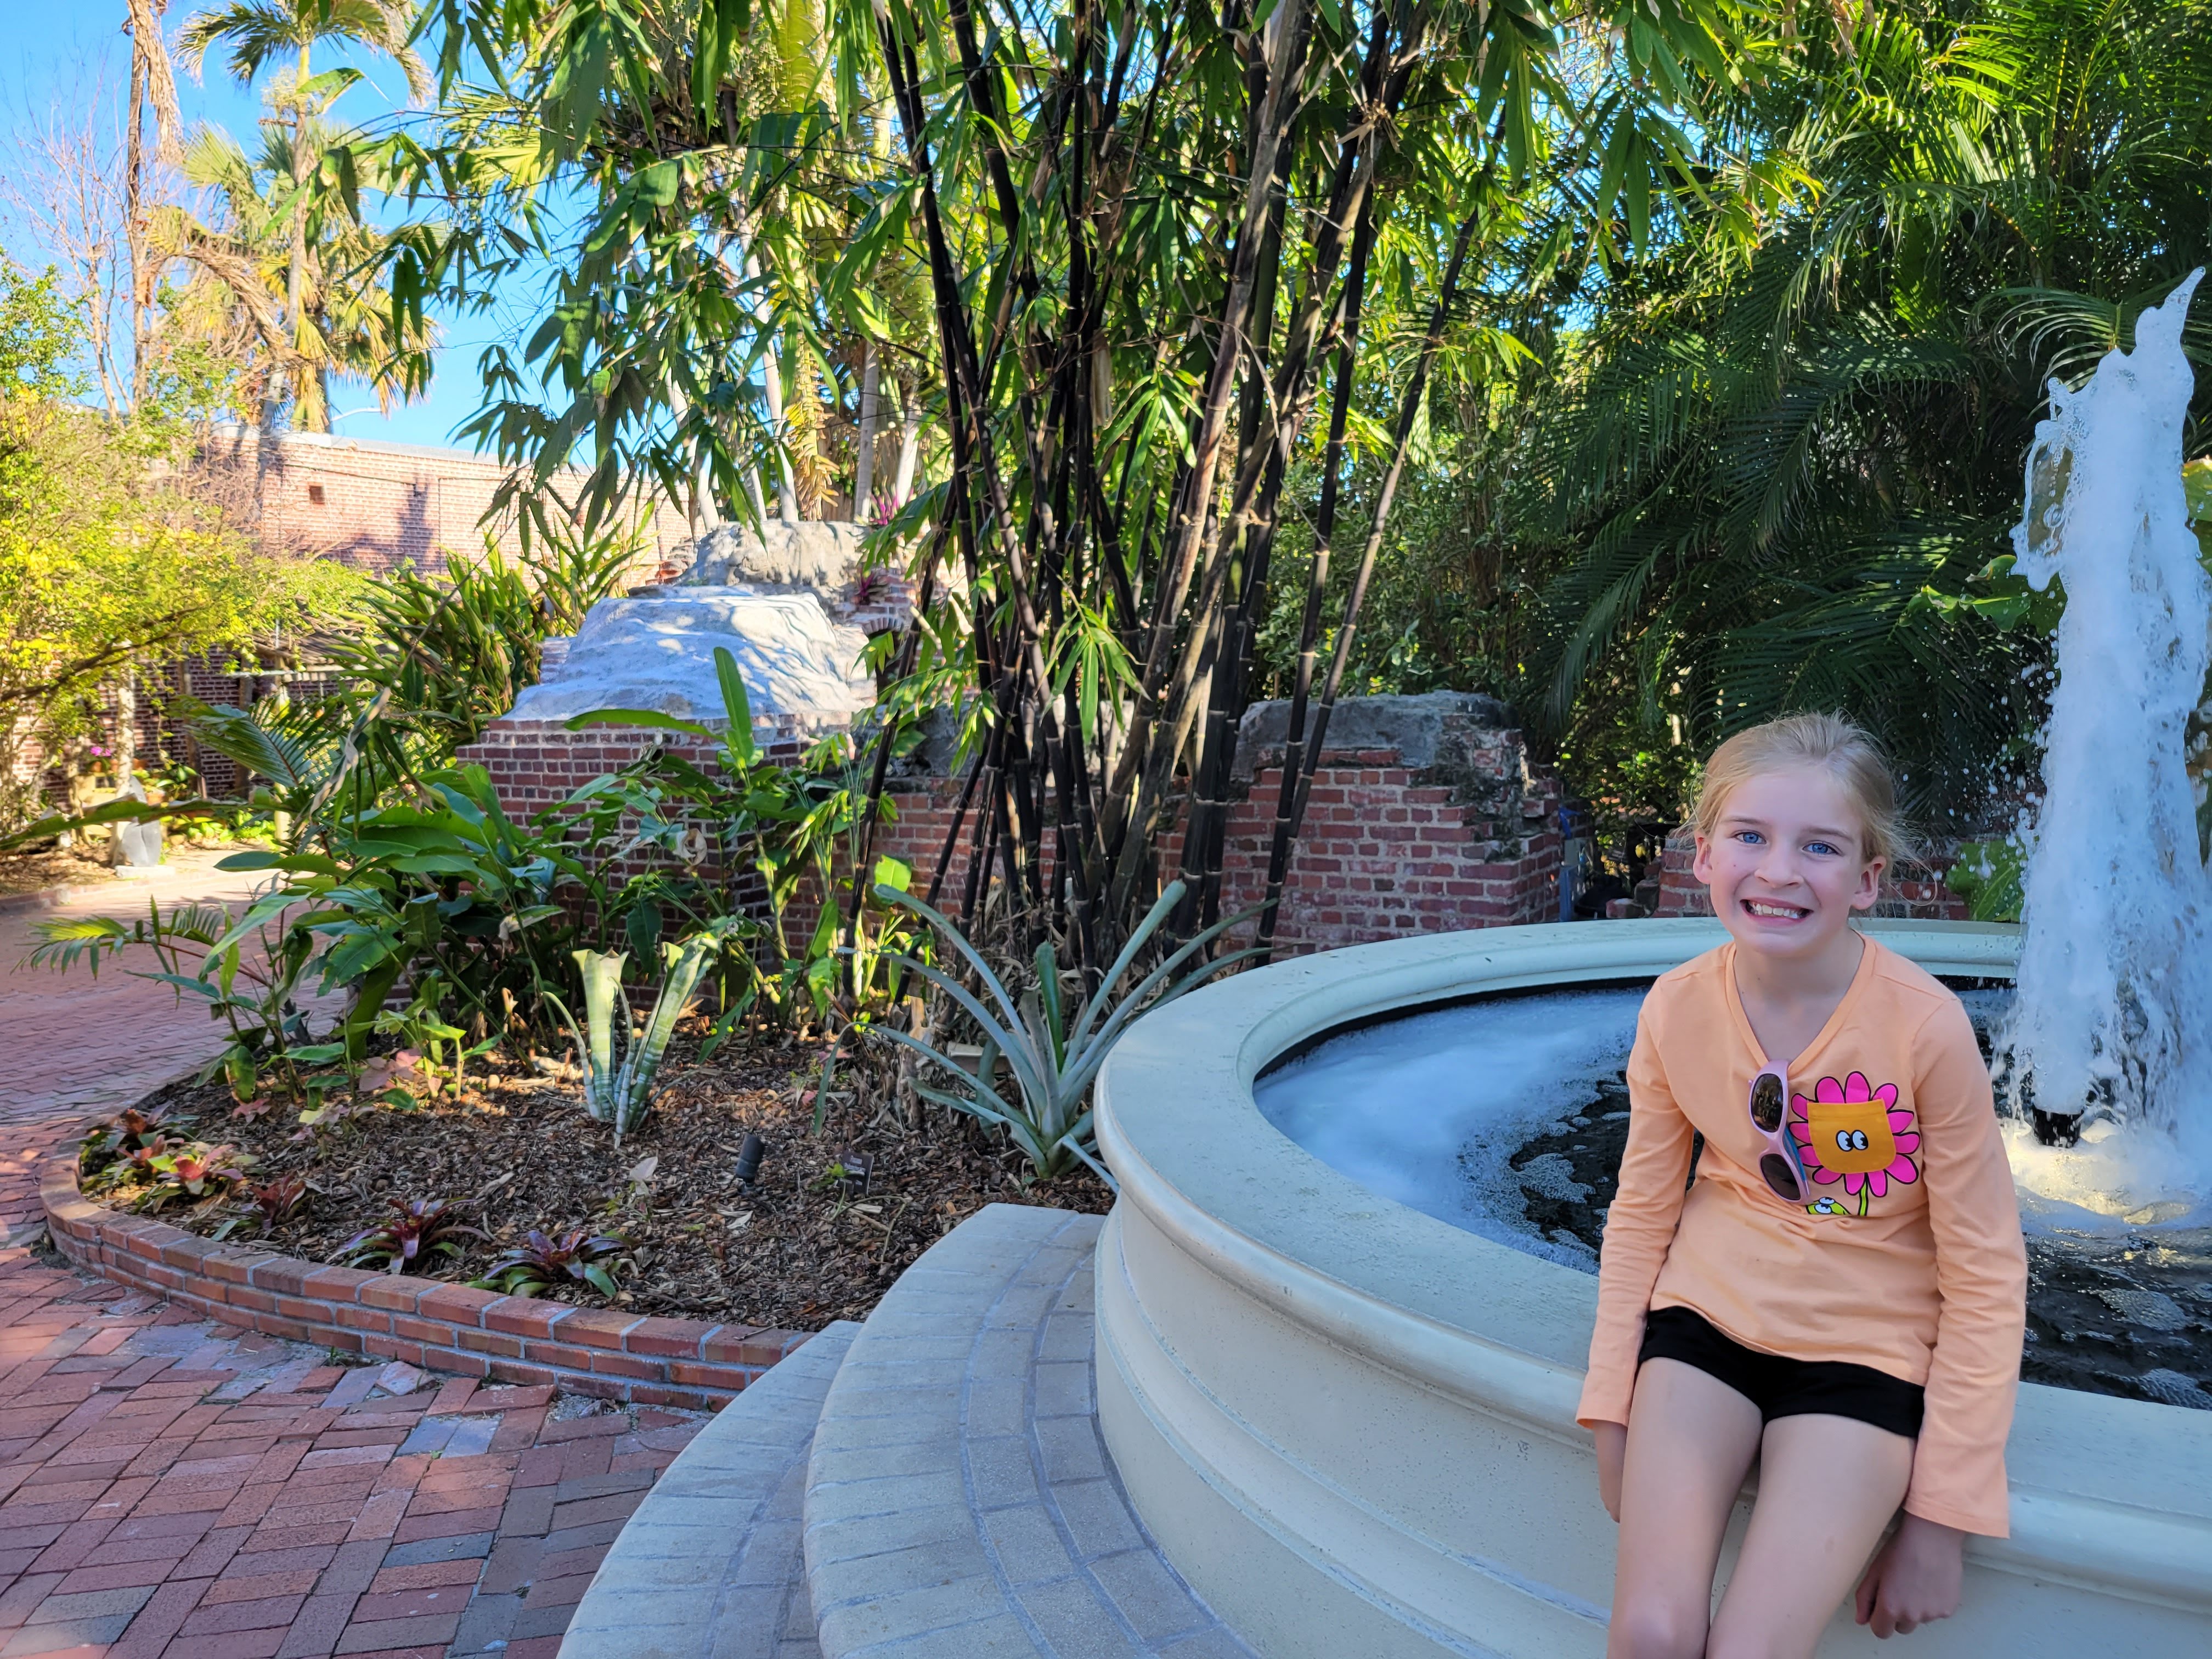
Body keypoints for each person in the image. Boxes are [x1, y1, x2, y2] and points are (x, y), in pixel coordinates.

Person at [1581, 713, 2026, 1658]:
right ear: (1703, 857)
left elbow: (1988, 1274)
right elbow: (1642, 1212)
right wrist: (1611, 1405)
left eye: (1818, 847)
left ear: (1866, 879)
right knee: (1652, 1634)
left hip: (1864, 1355)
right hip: (1707, 1323)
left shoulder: (1925, 1030)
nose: (1778, 871)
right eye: (1750, 836)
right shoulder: (1676, 1009)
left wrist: (1942, 1518)